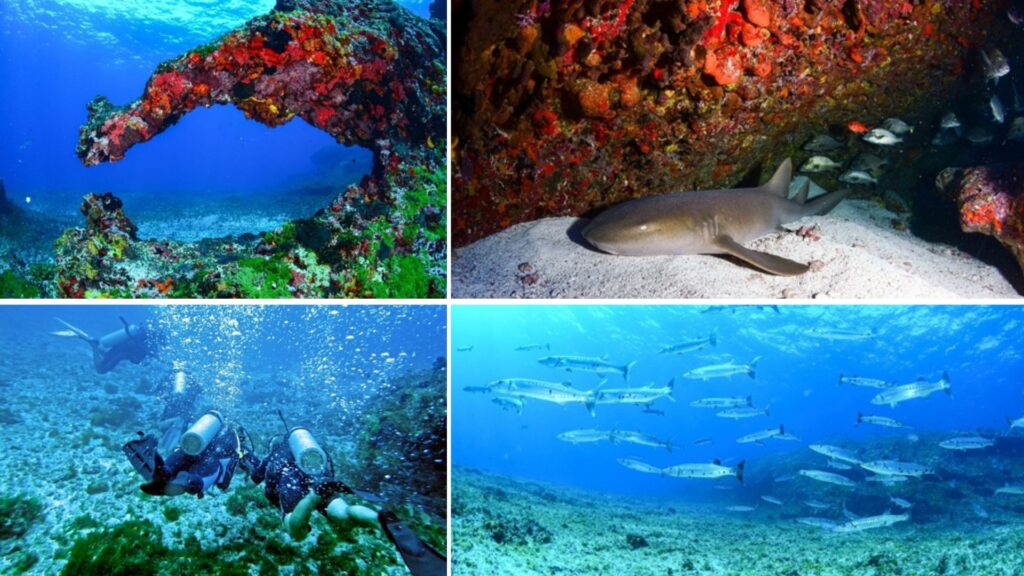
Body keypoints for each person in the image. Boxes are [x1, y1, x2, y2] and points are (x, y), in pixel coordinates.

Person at [239, 420, 446, 576]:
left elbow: (250, 484)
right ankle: (379, 520)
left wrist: (249, 468)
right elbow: (327, 465)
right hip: (319, 475)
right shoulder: (312, 451)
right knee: (343, 516)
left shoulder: (274, 454)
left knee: (295, 529)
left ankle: (312, 497)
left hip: (290, 478)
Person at [123, 409, 244, 498]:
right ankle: (190, 481)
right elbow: (235, 458)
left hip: (188, 450)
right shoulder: (231, 434)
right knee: (200, 476)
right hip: (210, 459)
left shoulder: (203, 426)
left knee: (176, 461)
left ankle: (163, 471)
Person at [53, 316, 154, 374]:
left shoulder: (147, 342)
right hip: (126, 349)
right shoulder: (151, 346)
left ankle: (92, 342)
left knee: (107, 354)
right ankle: (92, 345)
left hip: (125, 345)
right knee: (101, 369)